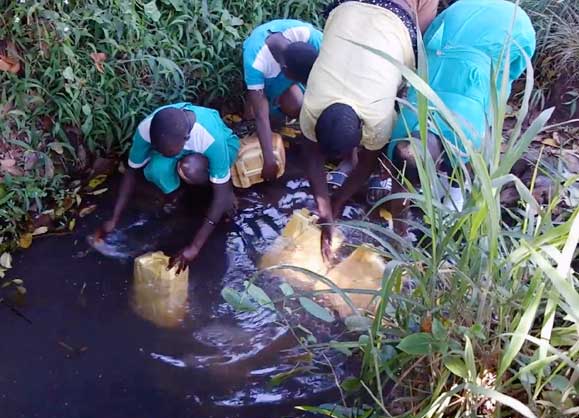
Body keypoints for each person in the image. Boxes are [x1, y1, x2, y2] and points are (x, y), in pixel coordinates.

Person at [297, 0, 439, 259]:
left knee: (422, 55)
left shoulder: (377, 116)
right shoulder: (312, 107)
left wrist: (336, 204)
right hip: (350, 11)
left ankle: (401, 229)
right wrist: (325, 209)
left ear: (363, 128)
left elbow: (365, 165)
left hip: (399, 17)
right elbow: (310, 154)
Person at [387, 0, 536, 210]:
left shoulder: (467, 132)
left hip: (512, 27)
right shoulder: (400, 133)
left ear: (438, 165)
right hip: (457, 18)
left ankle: (452, 197)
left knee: (496, 92)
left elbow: (511, 73)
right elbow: (398, 178)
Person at [95, 102, 239, 273]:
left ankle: (211, 186)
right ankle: (181, 198)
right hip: (182, 151)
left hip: (219, 151)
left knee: (193, 171)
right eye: (158, 149)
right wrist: (114, 218)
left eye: (168, 151)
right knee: (155, 168)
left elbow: (221, 196)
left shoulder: (210, 138)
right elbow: (131, 172)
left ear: (186, 139)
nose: (161, 153)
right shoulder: (146, 129)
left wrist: (194, 248)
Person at [243, 19, 323, 182]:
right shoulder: (256, 62)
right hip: (269, 81)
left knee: (297, 106)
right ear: (286, 71)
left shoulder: (310, 37)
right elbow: (261, 116)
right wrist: (269, 159)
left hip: (291, 72)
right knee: (255, 117)